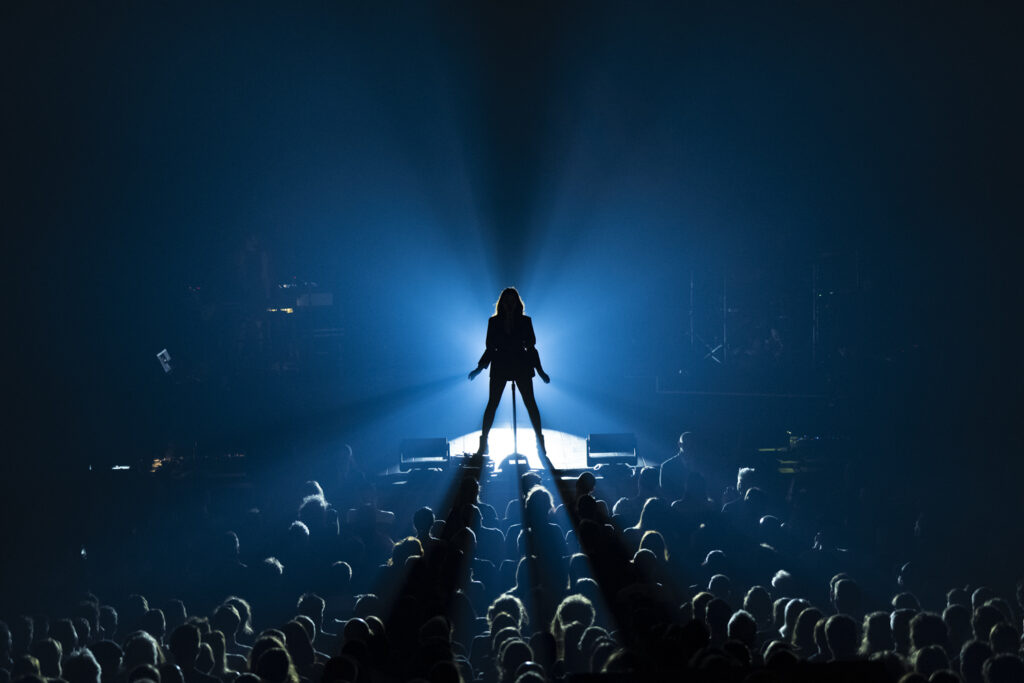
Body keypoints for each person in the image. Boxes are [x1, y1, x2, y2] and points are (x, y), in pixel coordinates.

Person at [469, 287, 549, 457]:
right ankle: (483, 443)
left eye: (513, 301)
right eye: (507, 301)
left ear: (517, 303)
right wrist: (479, 368)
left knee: (530, 403)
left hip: (521, 365)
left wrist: (540, 371)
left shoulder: (525, 321)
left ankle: (540, 442)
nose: (510, 304)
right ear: (502, 303)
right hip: (501, 365)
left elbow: (531, 347)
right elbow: (490, 348)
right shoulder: (494, 322)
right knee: (492, 404)